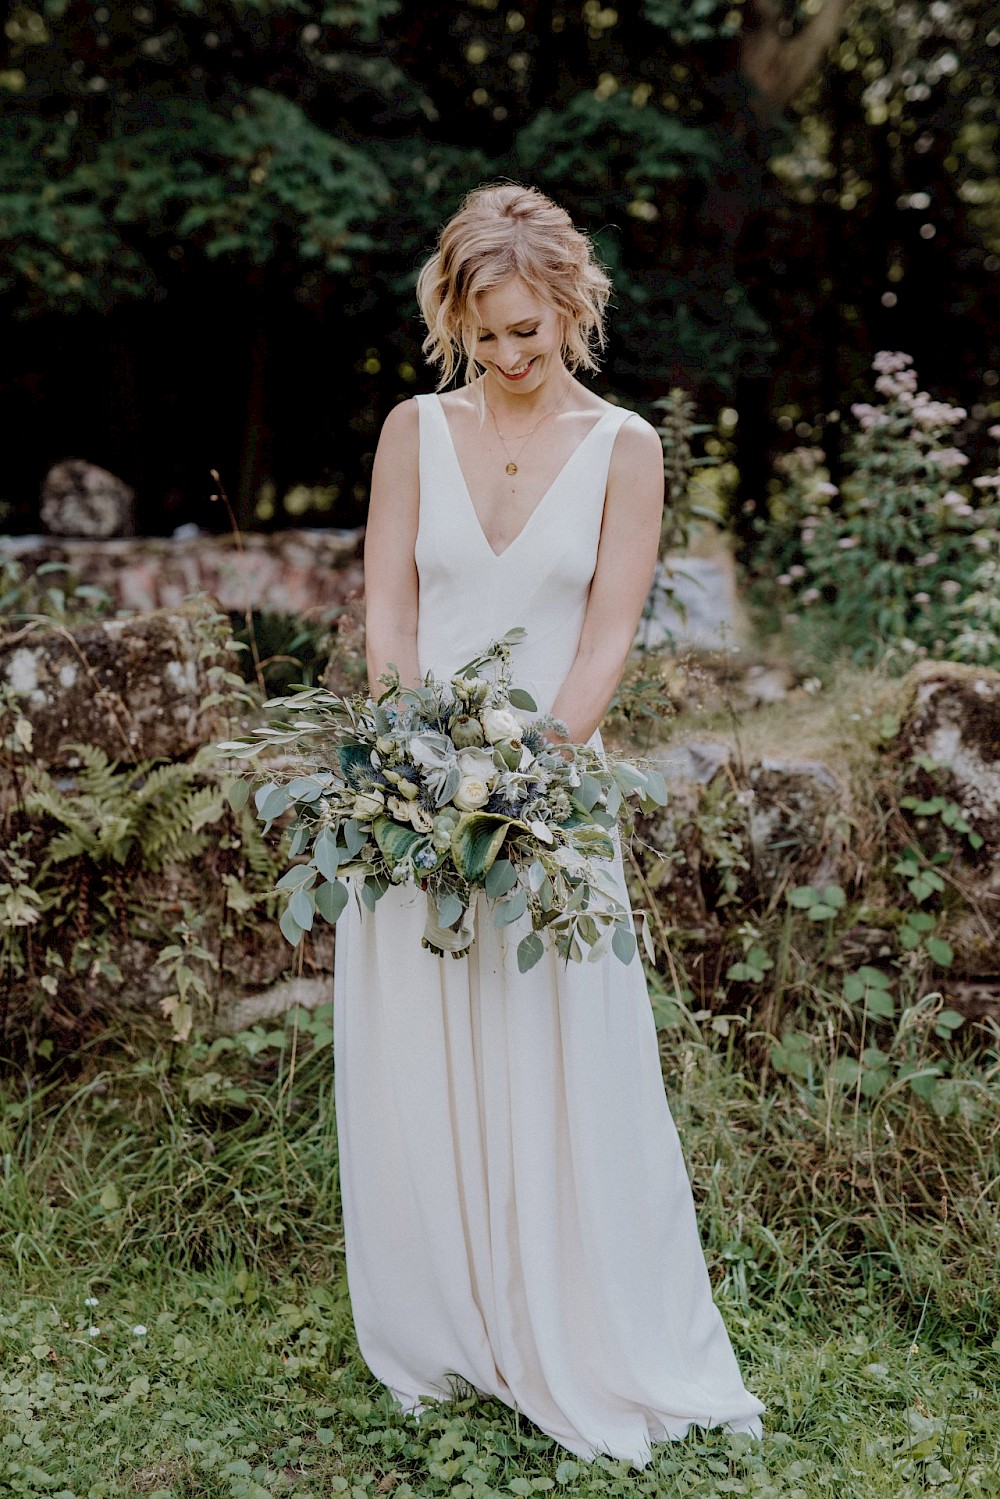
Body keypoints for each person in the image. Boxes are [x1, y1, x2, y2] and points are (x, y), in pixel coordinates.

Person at [333, 181, 765, 1466]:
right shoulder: (412, 429)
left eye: (532, 329)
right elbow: (390, 613)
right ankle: (451, 1322)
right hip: (415, 797)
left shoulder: (626, 447)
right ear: (452, 317)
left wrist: (537, 773)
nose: (511, 356)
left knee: (555, 1047)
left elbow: (610, 627)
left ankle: (571, 1318)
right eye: (488, 331)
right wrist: (417, 763)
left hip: (549, 800)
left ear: (573, 306)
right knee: (425, 1052)